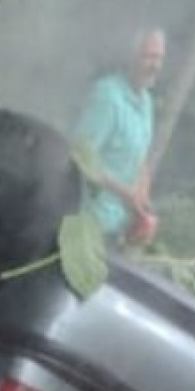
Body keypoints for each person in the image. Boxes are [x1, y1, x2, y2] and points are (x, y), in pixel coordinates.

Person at [72, 27, 165, 246]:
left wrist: (142, 203)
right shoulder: (107, 96)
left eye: (159, 58)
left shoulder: (147, 102)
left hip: (115, 228)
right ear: (131, 57)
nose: (155, 66)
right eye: (148, 56)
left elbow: (140, 157)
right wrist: (125, 193)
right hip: (86, 223)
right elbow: (80, 158)